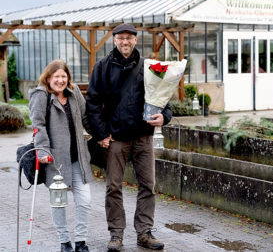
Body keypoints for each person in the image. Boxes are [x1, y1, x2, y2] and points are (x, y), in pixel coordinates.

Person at [86, 23, 172, 251]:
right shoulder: (103, 67)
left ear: (136, 40)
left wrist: (164, 117)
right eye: (121, 38)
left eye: (129, 38)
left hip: (143, 137)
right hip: (117, 139)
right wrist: (101, 134)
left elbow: (165, 100)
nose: (125, 42)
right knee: (113, 186)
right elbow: (92, 104)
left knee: (148, 186)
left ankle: (144, 232)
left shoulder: (151, 67)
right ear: (114, 40)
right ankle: (116, 234)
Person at [29, 59, 93, 252]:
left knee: (85, 200)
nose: (60, 80)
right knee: (59, 202)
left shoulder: (74, 94)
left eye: (64, 76)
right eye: (56, 76)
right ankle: (65, 242)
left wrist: (102, 134)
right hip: (55, 159)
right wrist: (42, 150)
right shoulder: (41, 95)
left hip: (78, 158)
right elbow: (37, 125)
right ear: (48, 78)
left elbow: (86, 119)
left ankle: (80, 241)